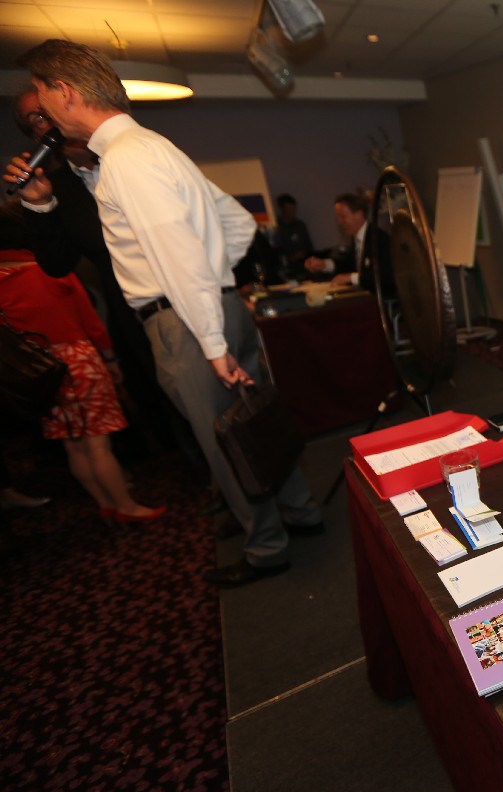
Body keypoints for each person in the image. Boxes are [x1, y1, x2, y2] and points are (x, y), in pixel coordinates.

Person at [12, 39, 323, 586]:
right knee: (255, 422)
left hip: (186, 319)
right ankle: (302, 512)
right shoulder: (149, 145)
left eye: (42, 94)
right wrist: (218, 285)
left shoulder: (126, 160)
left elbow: (178, 258)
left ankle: (266, 548)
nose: (43, 111)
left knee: (225, 443)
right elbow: (236, 225)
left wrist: (210, 340)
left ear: (65, 92)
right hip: (215, 306)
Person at [10, 88, 177, 454]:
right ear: (36, 135)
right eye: (36, 118)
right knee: (169, 407)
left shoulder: (130, 156)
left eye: (50, 108)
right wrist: (39, 204)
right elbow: (57, 265)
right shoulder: (58, 189)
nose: (49, 120)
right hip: (134, 315)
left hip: (187, 294)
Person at [0, 251, 164, 523]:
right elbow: (90, 319)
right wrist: (110, 357)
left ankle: (105, 504)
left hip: (37, 373)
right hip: (77, 361)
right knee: (98, 445)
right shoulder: (51, 268)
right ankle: (126, 507)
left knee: (73, 445)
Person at [303, 192, 394, 297]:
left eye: (343, 217)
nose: (340, 222)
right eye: (338, 218)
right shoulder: (356, 239)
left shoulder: (379, 239)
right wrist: (324, 264)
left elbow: (384, 276)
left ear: (359, 215)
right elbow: (349, 265)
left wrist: (351, 277)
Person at [274, 193, 313, 277]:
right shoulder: (276, 228)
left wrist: (305, 253)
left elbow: (309, 246)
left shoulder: (300, 225)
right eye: (289, 210)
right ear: (282, 209)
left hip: (304, 266)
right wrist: (291, 257)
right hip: (288, 269)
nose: (292, 212)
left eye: (294, 209)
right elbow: (277, 252)